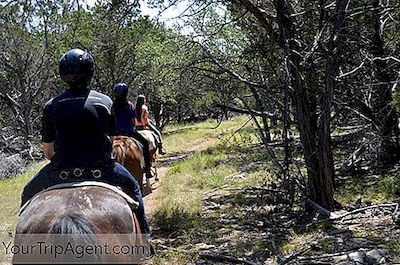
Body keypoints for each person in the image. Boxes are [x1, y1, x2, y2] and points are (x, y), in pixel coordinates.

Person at [20, 48, 150, 234]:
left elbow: (48, 153)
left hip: (60, 171)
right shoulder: (105, 101)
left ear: (62, 74)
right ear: (90, 72)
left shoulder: (51, 106)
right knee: (135, 189)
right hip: (103, 169)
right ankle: (144, 239)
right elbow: (111, 141)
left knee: (27, 193)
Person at [112, 82, 154, 179]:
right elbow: (133, 121)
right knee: (145, 143)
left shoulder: (112, 106)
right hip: (129, 132)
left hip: (115, 133)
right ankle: (148, 169)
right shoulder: (129, 105)